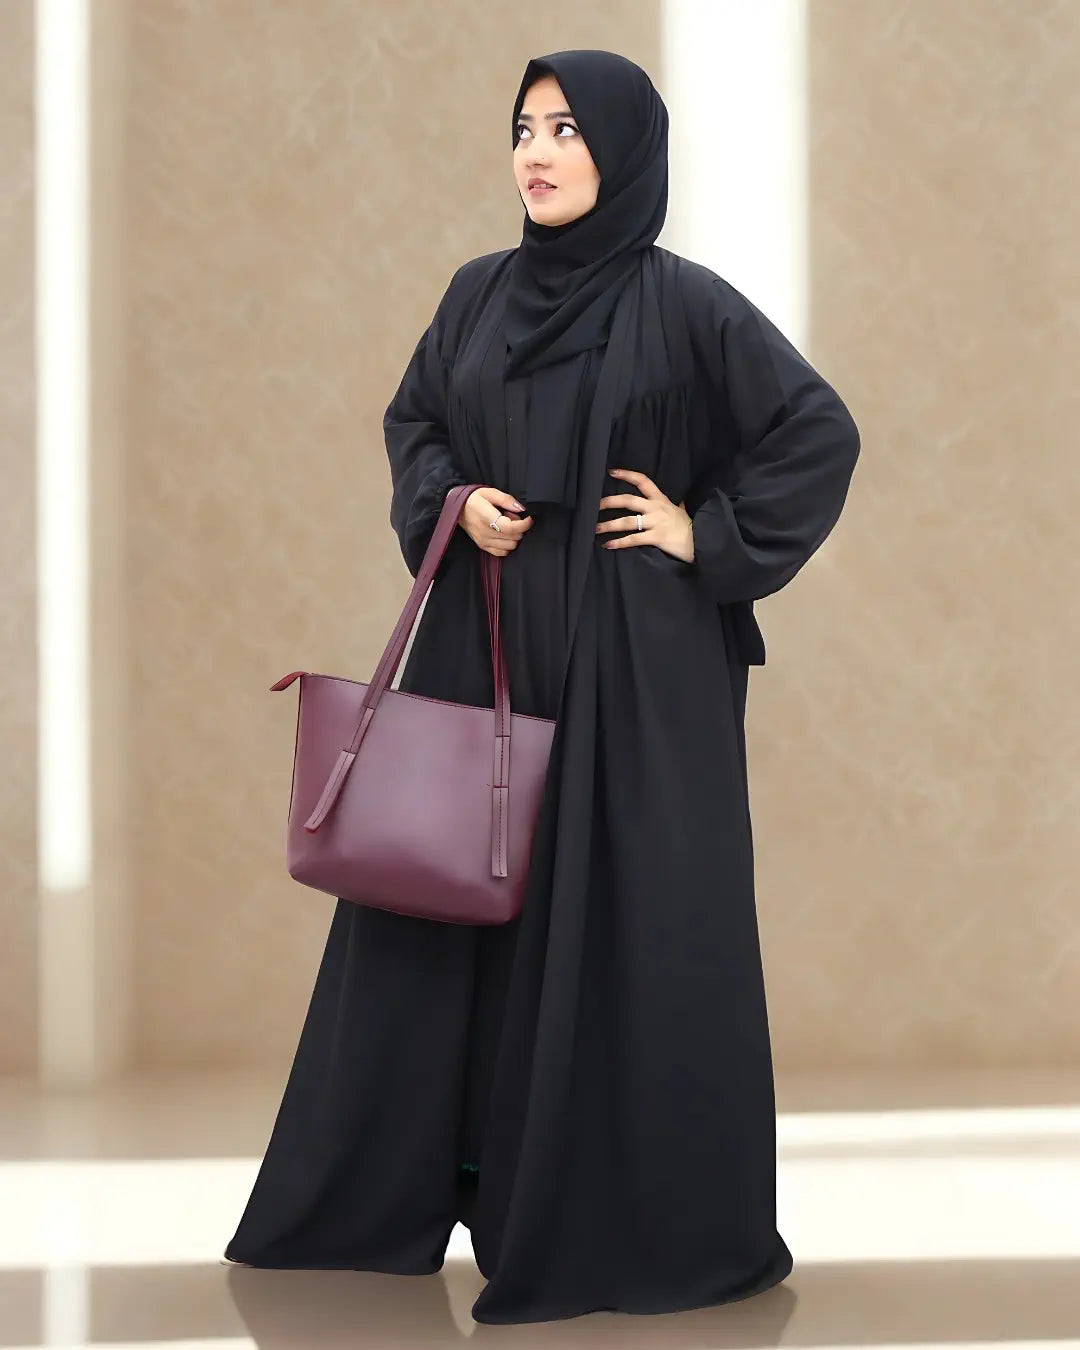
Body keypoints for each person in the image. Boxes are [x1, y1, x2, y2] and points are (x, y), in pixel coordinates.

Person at [224, 48, 861, 1325]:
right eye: (525, 127)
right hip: (490, 640)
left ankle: (607, 1216)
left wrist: (703, 535)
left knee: (622, 926)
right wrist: (457, 503)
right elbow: (418, 427)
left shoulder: (686, 306)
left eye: (568, 129)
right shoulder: (474, 298)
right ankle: (424, 1190)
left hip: (636, 667)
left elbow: (816, 428)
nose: (539, 151)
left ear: (622, 152)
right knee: (448, 908)